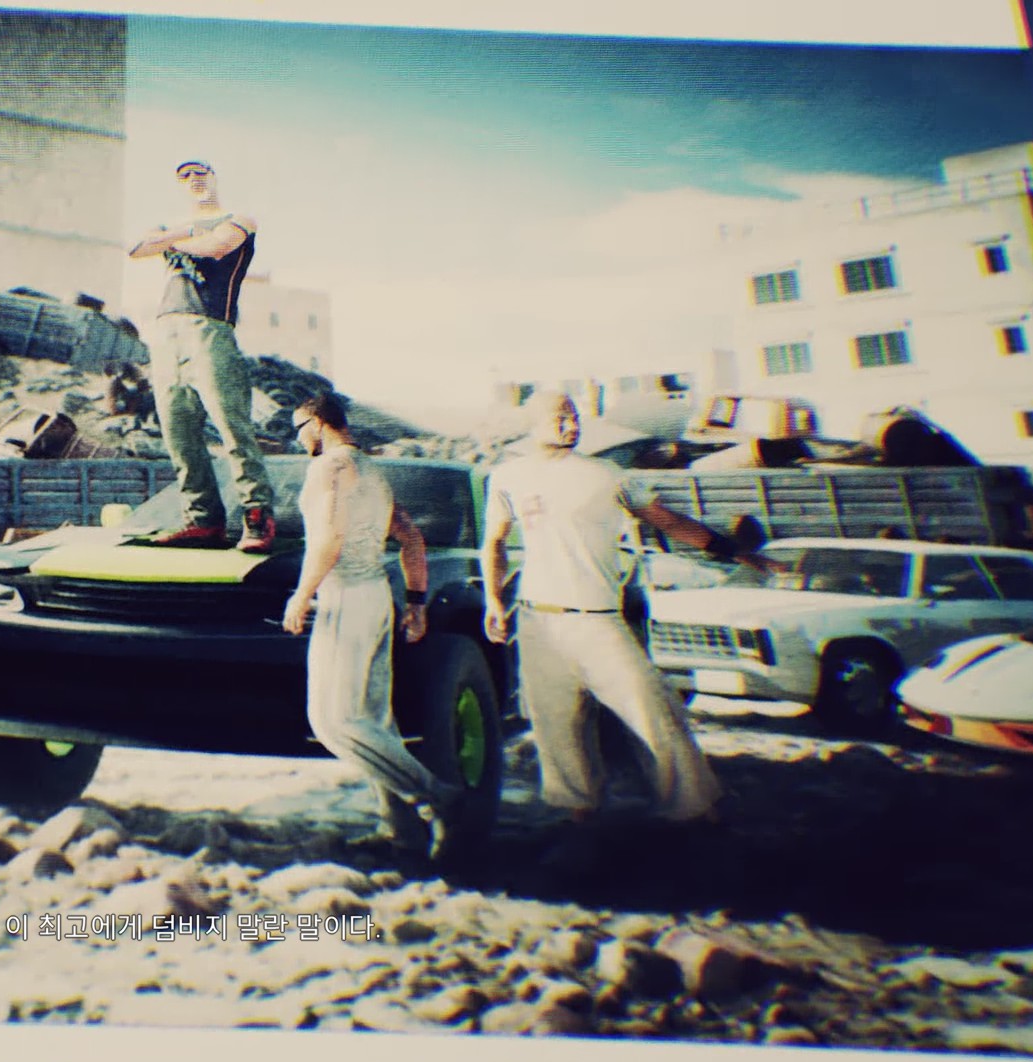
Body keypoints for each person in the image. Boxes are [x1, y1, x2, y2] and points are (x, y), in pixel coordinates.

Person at [481, 390, 771, 824]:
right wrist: (492, 599)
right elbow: (494, 542)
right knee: (554, 725)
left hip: (596, 618)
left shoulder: (606, 475)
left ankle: (694, 806)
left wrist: (731, 550)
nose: (572, 425)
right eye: (561, 417)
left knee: (650, 708)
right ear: (534, 422)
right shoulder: (507, 476)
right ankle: (577, 813)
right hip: (537, 619)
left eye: (575, 416)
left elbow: (669, 521)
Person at [281, 394, 464, 865]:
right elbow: (411, 536)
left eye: (299, 428)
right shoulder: (372, 469)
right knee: (376, 721)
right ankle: (403, 834)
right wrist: (416, 602)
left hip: (345, 596)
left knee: (333, 722)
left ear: (317, 423)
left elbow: (329, 539)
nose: (297, 438)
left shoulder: (329, 468)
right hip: (378, 597)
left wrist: (302, 595)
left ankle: (438, 797)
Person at [128, 160, 275, 553]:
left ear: (214, 177)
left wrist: (170, 239)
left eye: (200, 174)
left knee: (231, 425)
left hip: (209, 327)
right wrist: (185, 232)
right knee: (178, 431)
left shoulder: (239, 219)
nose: (194, 180)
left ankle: (257, 515)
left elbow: (216, 247)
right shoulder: (177, 225)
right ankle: (203, 521)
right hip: (166, 332)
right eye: (185, 177)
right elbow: (136, 248)